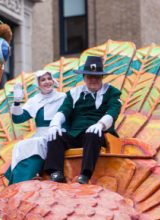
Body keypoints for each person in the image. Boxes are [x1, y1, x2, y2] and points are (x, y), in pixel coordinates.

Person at [44, 56, 122, 184]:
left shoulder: (112, 92)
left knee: (92, 134)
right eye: (90, 76)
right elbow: (64, 110)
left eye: (96, 77)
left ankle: (85, 175)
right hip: (76, 134)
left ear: (102, 77)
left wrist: (100, 125)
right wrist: (55, 124)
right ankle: (56, 173)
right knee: (55, 136)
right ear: (84, 77)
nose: (93, 80)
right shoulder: (74, 93)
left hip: (99, 135)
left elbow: (113, 112)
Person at [4, 70, 66, 185]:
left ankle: (27, 177)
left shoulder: (62, 97)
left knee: (37, 144)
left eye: (49, 78)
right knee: (20, 145)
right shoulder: (34, 101)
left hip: (58, 134)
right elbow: (18, 119)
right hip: (40, 134)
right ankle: (17, 182)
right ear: (38, 84)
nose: (47, 82)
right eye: (43, 80)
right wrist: (17, 102)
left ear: (53, 80)